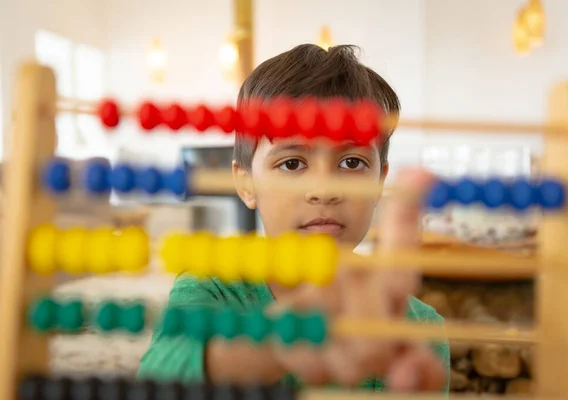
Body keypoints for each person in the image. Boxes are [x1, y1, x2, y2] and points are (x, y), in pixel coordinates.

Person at [137, 44, 450, 393]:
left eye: (351, 162)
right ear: (246, 183)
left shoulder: (419, 327)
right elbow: (158, 376)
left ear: (379, 181)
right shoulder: (210, 287)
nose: (323, 190)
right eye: (292, 163)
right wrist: (275, 347)